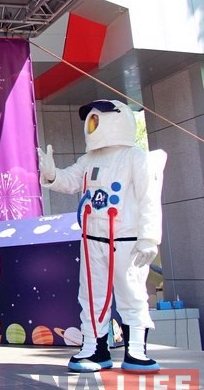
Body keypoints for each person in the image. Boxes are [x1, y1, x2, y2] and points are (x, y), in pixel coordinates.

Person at [38, 99, 165, 372]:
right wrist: (52, 174)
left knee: (131, 293)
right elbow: (71, 181)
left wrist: (149, 238)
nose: (93, 124)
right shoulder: (89, 159)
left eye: (98, 119)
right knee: (91, 296)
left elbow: (149, 199)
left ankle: (136, 350)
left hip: (126, 240)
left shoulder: (135, 156)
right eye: (92, 120)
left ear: (118, 119)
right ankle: (94, 349)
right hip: (92, 240)